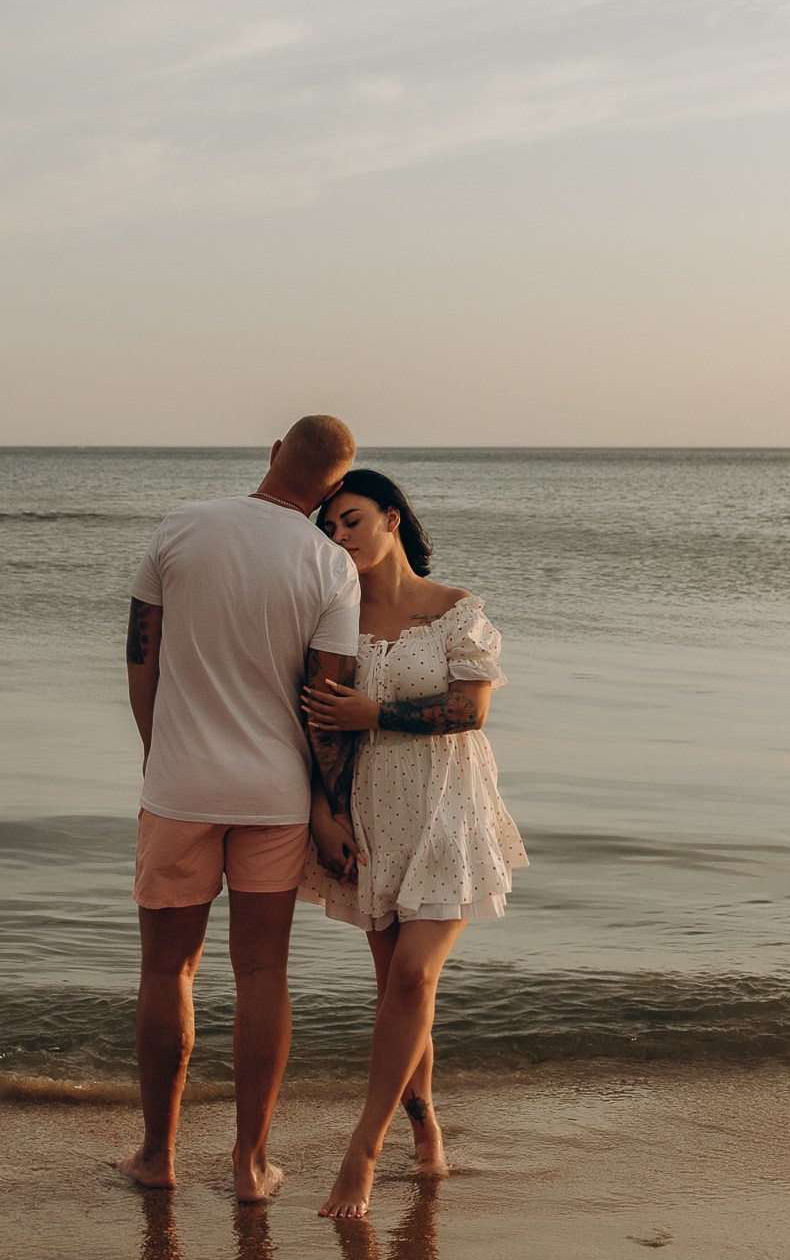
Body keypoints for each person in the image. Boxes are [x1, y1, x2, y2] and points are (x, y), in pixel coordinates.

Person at [117, 415, 364, 1202]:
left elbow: (140, 656)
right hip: (276, 793)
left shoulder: (181, 526)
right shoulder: (331, 565)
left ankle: (158, 1157)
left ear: (271, 457)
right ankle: (251, 1166)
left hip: (180, 785)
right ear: (333, 488)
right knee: (262, 973)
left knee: (166, 968)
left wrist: (162, 754)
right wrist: (331, 805)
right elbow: (329, 702)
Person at [300, 469, 528, 1218]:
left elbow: (470, 710)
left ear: (392, 519)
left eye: (352, 520)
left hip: (450, 808)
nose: (340, 537)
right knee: (396, 990)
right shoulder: (334, 617)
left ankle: (362, 1151)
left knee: (412, 982)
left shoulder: (455, 610)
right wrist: (321, 815)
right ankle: (426, 1127)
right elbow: (316, 727)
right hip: (370, 815)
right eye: (328, 529)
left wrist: (377, 714)